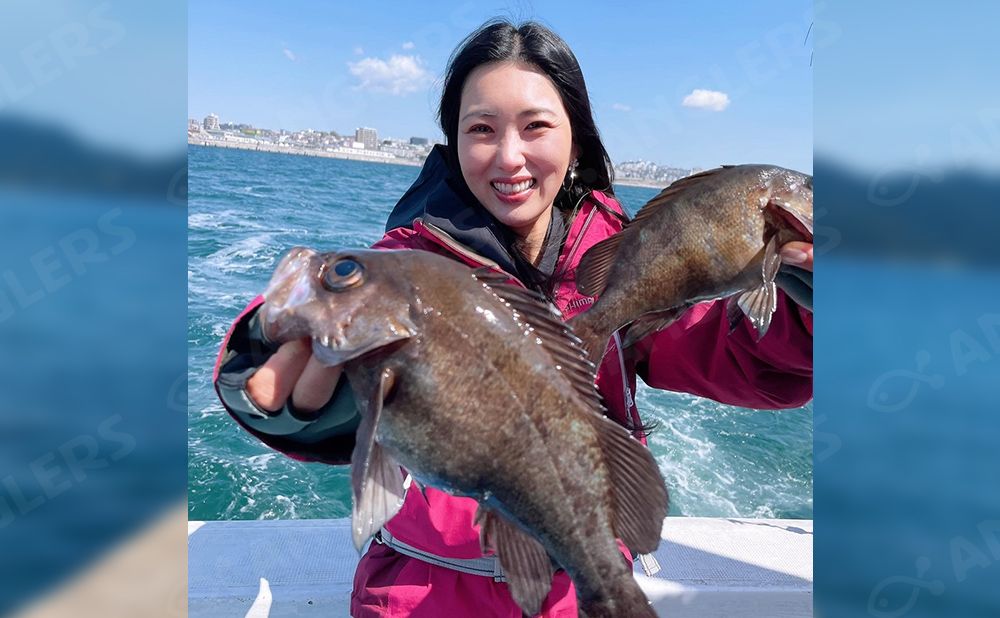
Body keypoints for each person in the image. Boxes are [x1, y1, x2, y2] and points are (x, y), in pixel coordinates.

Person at [214, 19, 813, 617]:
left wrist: (808, 311)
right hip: (419, 595)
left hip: (574, 592)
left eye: (536, 127)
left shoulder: (623, 267)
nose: (509, 156)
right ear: (453, 140)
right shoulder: (405, 265)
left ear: (576, 139)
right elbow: (270, 361)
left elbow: (743, 360)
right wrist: (293, 393)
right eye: (481, 129)